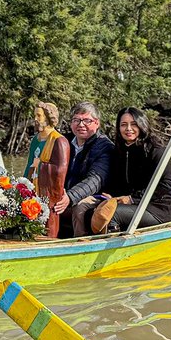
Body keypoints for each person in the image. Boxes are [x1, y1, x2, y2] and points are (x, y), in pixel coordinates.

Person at [90, 106, 171, 234]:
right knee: (93, 211)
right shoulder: (118, 151)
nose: (128, 129)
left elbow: (166, 184)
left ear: (141, 125)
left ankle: (111, 251)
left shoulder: (156, 150)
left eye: (133, 124)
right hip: (132, 205)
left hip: (159, 208)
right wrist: (111, 195)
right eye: (123, 125)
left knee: (112, 215)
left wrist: (132, 199)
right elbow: (119, 182)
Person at [52, 101, 113, 238]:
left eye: (87, 120)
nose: (81, 125)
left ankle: (80, 243)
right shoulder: (64, 141)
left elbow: (95, 180)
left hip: (96, 195)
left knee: (79, 207)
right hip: (66, 193)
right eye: (76, 120)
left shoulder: (105, 146)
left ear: (97, 123)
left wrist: (70, 197)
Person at [23, 102, 69, 238]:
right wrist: (23, 185)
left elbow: (60, 170)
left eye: (39, 116)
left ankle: (49, 244)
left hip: (49, 193)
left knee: (49, 222)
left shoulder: (59, 141)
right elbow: (29, 165)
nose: (36, 119)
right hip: (34, 187)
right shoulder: (35, 140)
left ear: (49, 117)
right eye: (35, 115)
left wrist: (40, 164)